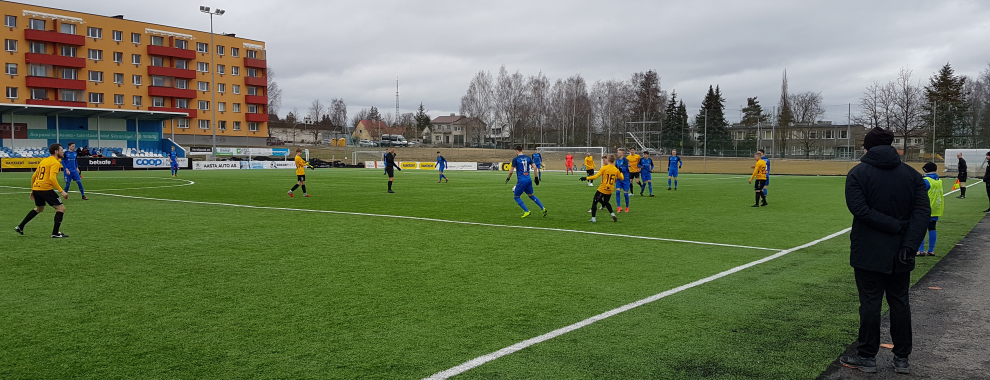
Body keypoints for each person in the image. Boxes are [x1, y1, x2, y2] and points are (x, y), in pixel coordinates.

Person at [840, 127, 929, 374]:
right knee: (899, 301)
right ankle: (902, 357)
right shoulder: (912, 176)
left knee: (870, 303)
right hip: (902, 249)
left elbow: (860, 210)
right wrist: (910, 243)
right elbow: (922, 213)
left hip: (868, 249)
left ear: (867, 147)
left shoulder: (858, 173)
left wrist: (894, 226)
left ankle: (867, 356)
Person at [15, 143, 70, 238]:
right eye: (61, 150)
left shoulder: (44, 161)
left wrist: (33, 189)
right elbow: (52, 178)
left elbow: (34, 176)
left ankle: (20, 226)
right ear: (56, 151)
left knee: (39, 208)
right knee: (61, 208)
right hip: (45, 188)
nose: (63, 151)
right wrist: (62, 191)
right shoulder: (55, 162)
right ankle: (55, 233)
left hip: (37, 187)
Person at [506, 145, 546, 218]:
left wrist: (508, 178)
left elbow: (511, 171)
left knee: (516, 196)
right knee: (531, 195)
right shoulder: (528, 158)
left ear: (517, 151)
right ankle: (543, 208)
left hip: (521, 180)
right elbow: (535, 167)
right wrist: (536, 177)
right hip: (528, 179)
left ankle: (527, 211)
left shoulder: (516, 159)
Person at [580, 154, 621, 222]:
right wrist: (620, 172)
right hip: (610, 189)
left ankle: (593, 218)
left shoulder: (604, 168)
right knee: (606, 202)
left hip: (603, 188)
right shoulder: (616, 169)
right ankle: (613, 215)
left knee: (595, 201)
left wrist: (586, 178)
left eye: (605, 159)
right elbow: (621, 177)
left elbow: (596, 176)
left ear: (608, 160)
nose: (604, 161)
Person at [916, 162, 943, 257]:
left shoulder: (926, 181)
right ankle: (931, 250)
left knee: (921, 228)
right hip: (936, 207)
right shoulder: (939, 180)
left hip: (926, 207)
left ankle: (921, 250)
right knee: (932, 228)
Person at [614, 148, 631, 212]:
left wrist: (620, 169)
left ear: (622, 154)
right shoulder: (617, 160)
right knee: (617, 192)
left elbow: (623, 169)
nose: (617, 154)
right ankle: (619, 207)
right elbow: (616, 169)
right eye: (617, 153)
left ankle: (627, 207)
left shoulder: (625, 160)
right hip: (619, 179)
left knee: (625, 194)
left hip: (625, 178)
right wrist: (615, 177)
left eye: (619, 153)